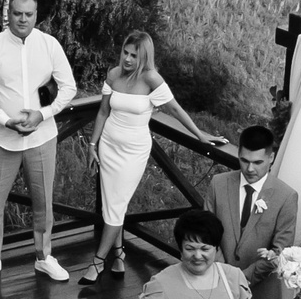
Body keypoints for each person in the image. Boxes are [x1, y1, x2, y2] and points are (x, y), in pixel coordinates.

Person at [83, 30, 217, 283]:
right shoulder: (113, 75)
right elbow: (102, 112)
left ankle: (98, 261)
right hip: (108, 145)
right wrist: (92, 144)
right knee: (112, 204)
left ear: (144, 58)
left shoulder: (151, 79)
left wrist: (201, 136)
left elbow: (175, 109)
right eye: (126, 52)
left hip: (133, 151)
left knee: (116, 205)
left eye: (135, 55)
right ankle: (119, 254)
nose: (128, 59)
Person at [0, 0, 78, 286]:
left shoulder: (49, 44)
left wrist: (42, 115)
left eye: (28, 14)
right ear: (9, 13)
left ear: (36, 15)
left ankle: (44, 258)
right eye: (17, 13)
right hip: (2, 139)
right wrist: (6, 120)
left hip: (42, 137)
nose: (22, 19)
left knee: (43, 201)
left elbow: (69, 87)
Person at [209, 126, 299, 299]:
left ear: (271, 157)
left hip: (258, 295)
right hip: (214, 285)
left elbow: (279, 251)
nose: (250, 169)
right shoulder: (218, 184)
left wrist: (241, 279)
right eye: (244, 160)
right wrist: (225, 276)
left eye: (258, 162)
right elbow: (208, 234)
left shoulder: (286, 196)